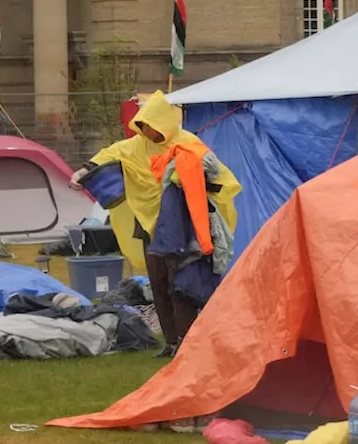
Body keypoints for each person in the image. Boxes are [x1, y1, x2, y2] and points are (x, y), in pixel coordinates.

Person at [70, 91, 240, 357]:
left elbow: (216, 176)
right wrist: (81, 173)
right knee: (158, 283)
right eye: (144, 126)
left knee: (180, 284)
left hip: (181, 226)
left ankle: (188, 341)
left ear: (164, 123)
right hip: (149, 226)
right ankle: (170, 342)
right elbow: (104, 157)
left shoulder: (187, 143)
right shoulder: (134, 146)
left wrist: (186, 179)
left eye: (152, 126)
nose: (148, 132)